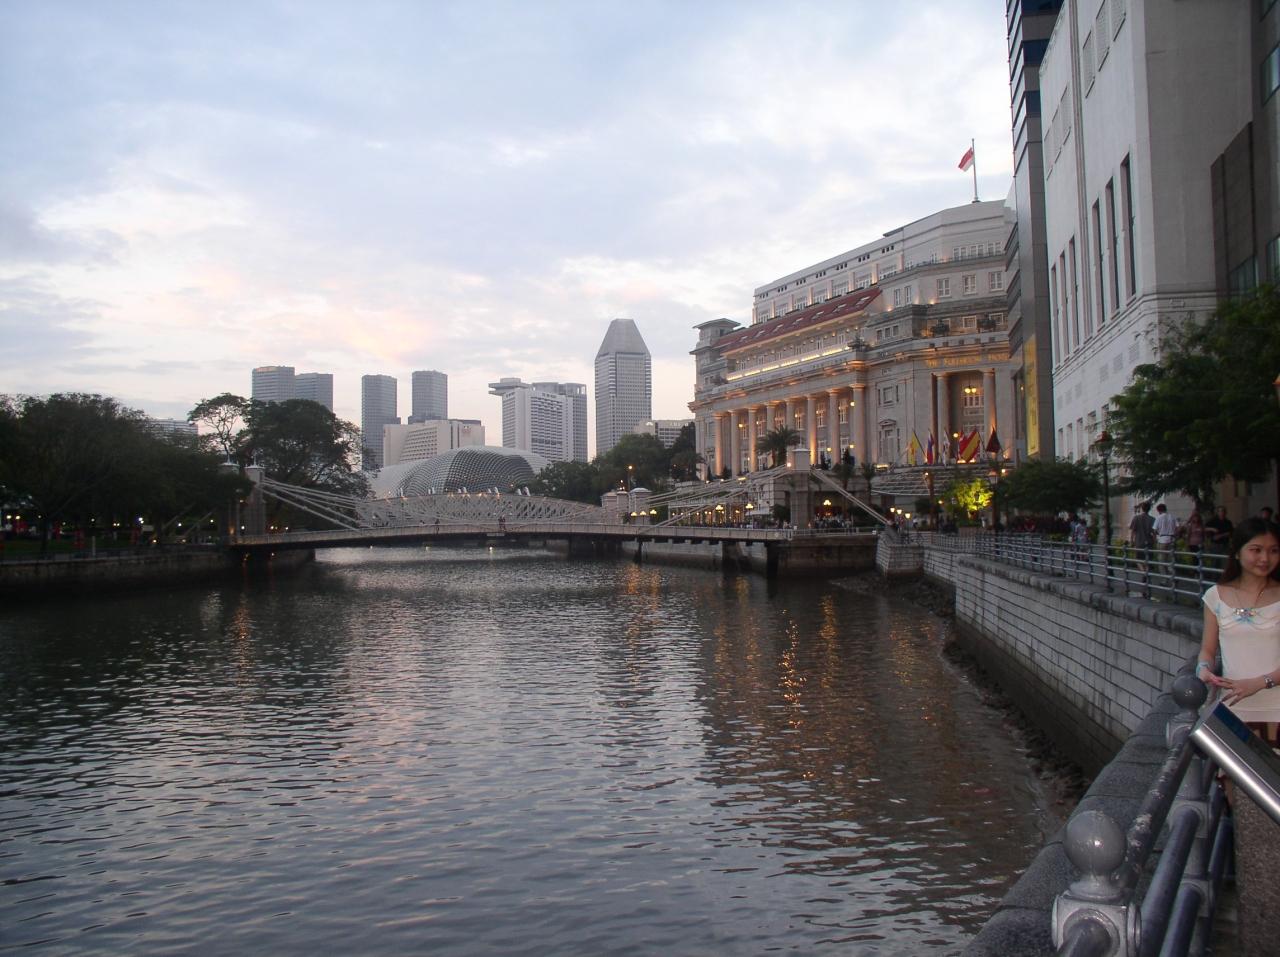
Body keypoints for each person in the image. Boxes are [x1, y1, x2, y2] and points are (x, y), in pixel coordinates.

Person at [1196, 518, 1280, 956]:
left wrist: (1259, 683)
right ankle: (1260, 903)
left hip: (1276, 712)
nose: (1265, 559)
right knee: (1243, 809)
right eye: (1256, 550)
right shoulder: (1216, 597)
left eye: (1273, 551)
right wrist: (1203, 670)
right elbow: (1208, 649)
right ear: (1238, 553)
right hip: (1235, 718)